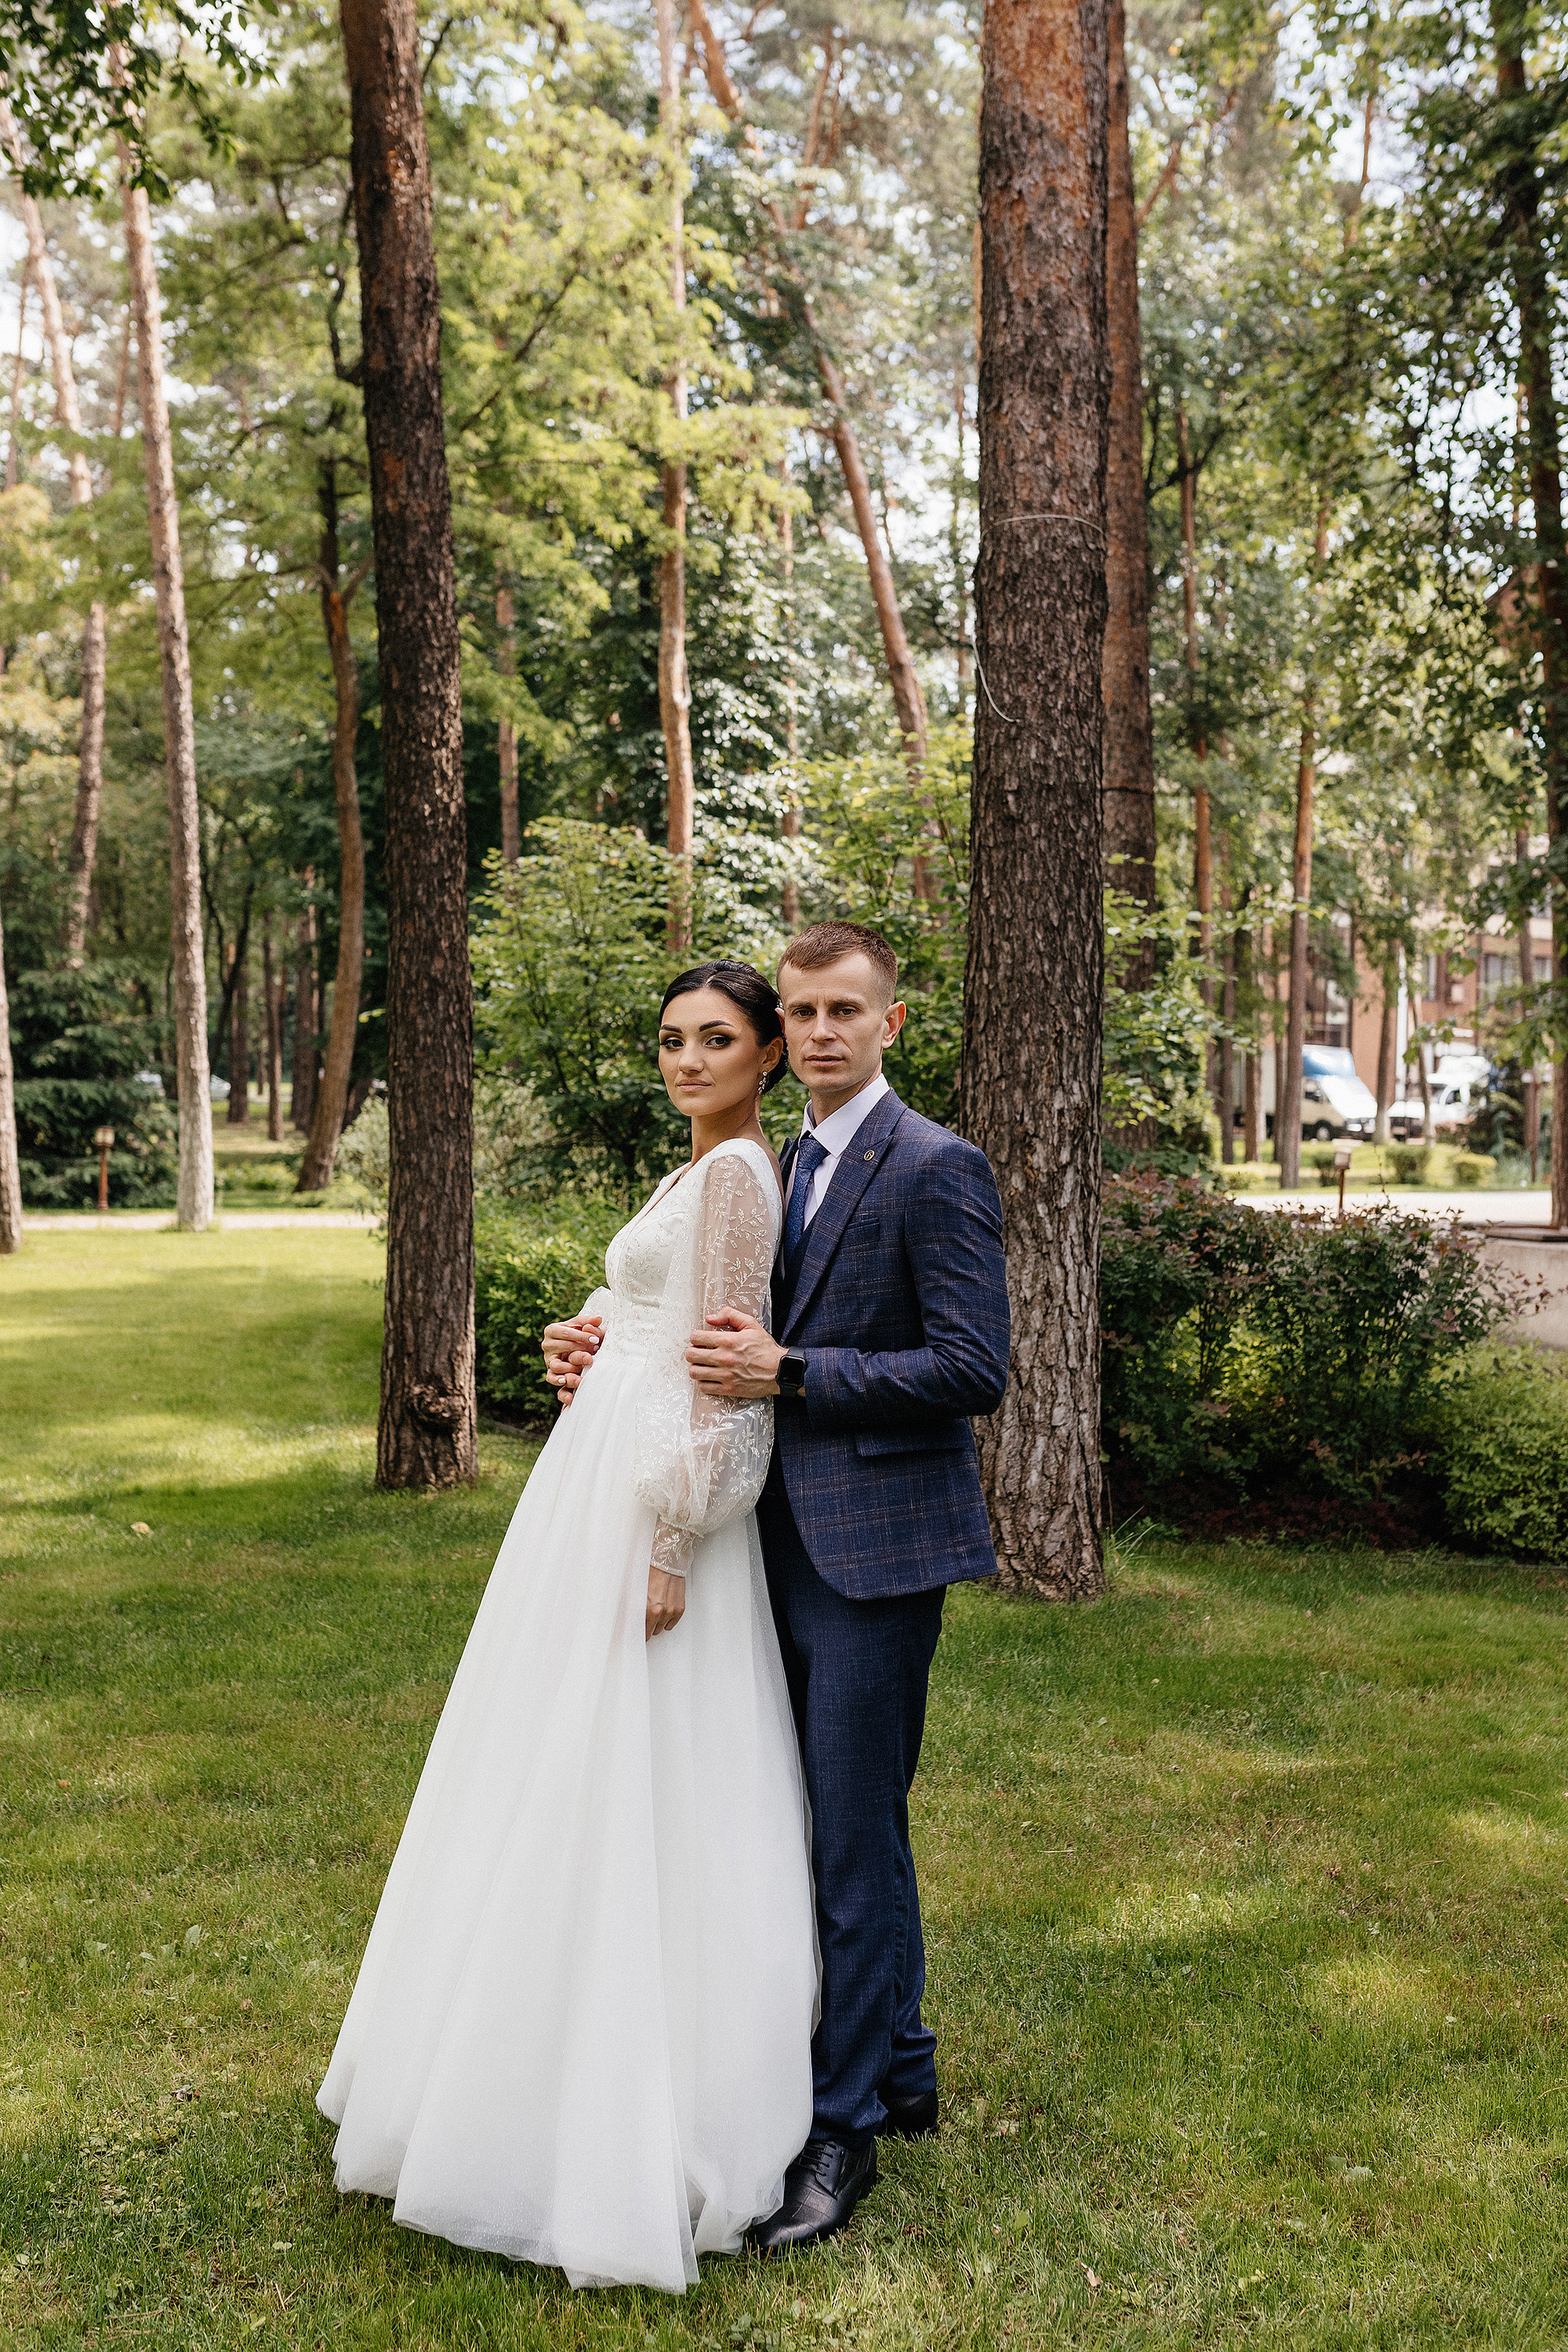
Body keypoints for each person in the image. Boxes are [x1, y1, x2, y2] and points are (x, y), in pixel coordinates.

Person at [317, 960, 816, 2296]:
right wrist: (584, 1333)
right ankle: (507, 2055)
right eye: (670, 1039)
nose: (687, 1059)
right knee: (557, 1760)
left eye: (715, 1039)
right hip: (596, 1482)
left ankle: (621, 2099)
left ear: (768, 1054)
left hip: (646, 1510)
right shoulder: (693, 1169)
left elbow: (727, 1376)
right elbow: (654, 1322)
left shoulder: (735, 1179)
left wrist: (671, 1537)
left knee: (635, 1774)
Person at [684, 920, 1010, 2252]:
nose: (820, 1032)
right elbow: (718, 1329)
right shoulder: (779, 1165)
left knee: (849, 1837)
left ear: (891, 1022)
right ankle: (909, 2062)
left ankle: (842, 2132)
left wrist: (799, 1374)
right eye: (802, 1012)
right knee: (831, 1817)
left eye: (844, 1013)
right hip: (768, 1541)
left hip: (875, 1558)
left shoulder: (934, 1167)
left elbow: (971, 1366)